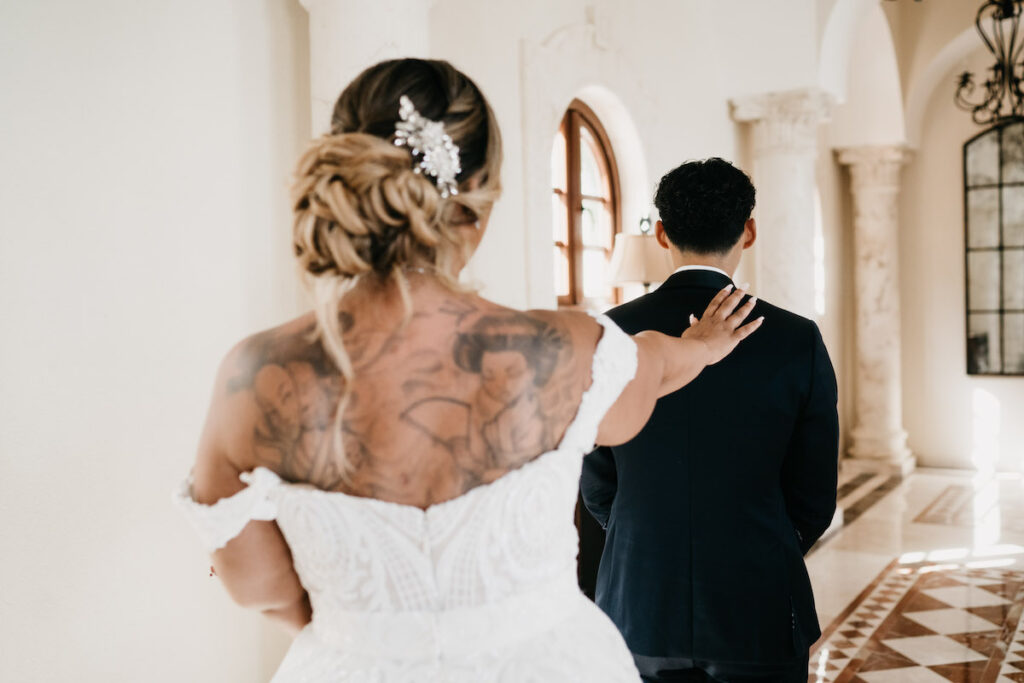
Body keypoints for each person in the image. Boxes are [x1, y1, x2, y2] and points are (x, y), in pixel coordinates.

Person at [174, 60, 762, 682]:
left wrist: (371, 636)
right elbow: (656, 363)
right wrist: (701, 345)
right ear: (481, 199)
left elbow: (251, 584)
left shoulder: (253, 376)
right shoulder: (568, 349)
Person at [580, 158, 839, 683]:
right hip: (758, 604)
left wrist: (648, 536)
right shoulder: (796, 340)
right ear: (749, 231)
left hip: (638, 603)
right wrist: (761, 545)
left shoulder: (608, 334)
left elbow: (597, 481)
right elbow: (815, 496)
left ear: (661, 234)